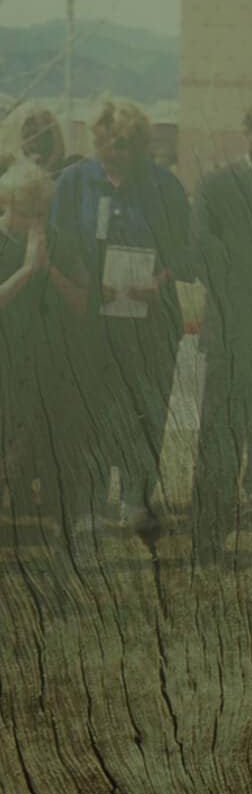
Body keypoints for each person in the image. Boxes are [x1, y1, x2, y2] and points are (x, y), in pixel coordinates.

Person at [47, 101, 194, 548]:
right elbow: (57, 245)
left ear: (140, 144)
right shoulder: (72, 182)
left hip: (150, 323)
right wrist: (88, 285)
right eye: (105, 143)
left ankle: (136, 499)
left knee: (145, 409)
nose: (113, 152)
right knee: (89, 412)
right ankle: (89, 505)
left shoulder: (165, 185)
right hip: (90, 324)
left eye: (124, 145)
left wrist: (161, 280)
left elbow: (185, 248)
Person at [186, 99, 252, 564]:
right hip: (233, 332)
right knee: (221, 440)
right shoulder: (216, 186)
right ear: (249, 138)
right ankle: (207, 539)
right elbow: (202, 252)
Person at [0, 163, 86, 533]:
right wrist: (26, 271)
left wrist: (48, 267)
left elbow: (83, 303)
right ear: (5, 204)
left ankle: (46, 510)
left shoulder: (61, 241)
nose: (36, 222)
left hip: (48, 361)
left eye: (42, 213)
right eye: (27, 214)